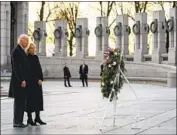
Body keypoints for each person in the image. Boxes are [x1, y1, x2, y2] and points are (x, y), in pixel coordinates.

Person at [8, 34, 30, 128]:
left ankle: (19, 121)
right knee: (19, 102)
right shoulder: (16, 51)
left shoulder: (20, 50)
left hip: (22, 81)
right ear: (21, 40)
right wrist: (22, 80)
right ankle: (17, 122)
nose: (27, 43)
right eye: (26, 41)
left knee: (21, 102)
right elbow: (17, 68)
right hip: (19, 82)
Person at [26, 43, 46, 126]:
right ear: (28, 49)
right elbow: (29, 71)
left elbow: (39, 68)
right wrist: (37, 79)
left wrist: (41, 78)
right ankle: (29, 119)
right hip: (31, 83)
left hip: (38, 83)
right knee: (30, 101)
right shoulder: (27, 58)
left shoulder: (35, 57)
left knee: (38, 100)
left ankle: (37, 118)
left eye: (34, 48)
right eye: (32, 48)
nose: (33, 49)